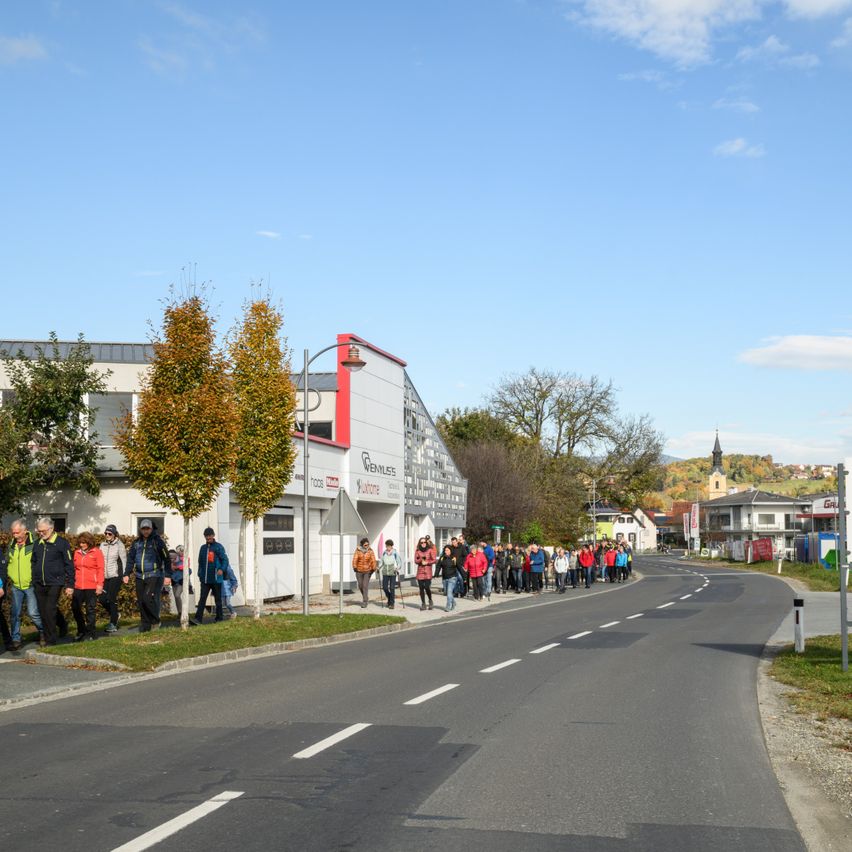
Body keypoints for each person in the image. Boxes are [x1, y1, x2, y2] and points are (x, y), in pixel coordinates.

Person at [31, 517, 74, 646]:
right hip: (39, 582)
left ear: (51, 528)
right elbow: (33, 561)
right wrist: (34, 577)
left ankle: (51, 640)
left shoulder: (62, 543)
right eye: (39, 531)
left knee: (49, 610)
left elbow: (69, 564)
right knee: (43, 611)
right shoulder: (38, 543)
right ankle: (61, 625)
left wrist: (70, 584)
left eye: (43, 531)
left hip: (55, 582)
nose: (41, 533)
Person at [4, 518, 44, 650]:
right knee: (15, 613)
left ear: (25, 531)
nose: (15, 536)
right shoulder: (11, 545)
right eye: (13, 533)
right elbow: (7, 562)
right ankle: (16, 639)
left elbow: (40, 563)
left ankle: (43, 632)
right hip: (16, 585)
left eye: (17, 533)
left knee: (33, 613)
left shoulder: (35, 544)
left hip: (31, 585)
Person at [127, 519, 171, 632]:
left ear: (151, 529)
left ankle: (156, 620)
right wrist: (126, 573)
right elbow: (130, 559)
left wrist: (168, 575)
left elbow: (167, 559)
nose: (146, 531)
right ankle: (145, 625)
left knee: (147, 599)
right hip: (139, 575)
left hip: (154, 574)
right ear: (140, 530)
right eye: (143, 529)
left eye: (148, 528)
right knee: (141, 601)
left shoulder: (158, 541)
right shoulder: (136, 543)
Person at [193, 527, 230, 624]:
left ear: (213, 535)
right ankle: (198, 619)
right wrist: (200, 574)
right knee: (202, 599)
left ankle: (219, 618)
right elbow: (200, 562)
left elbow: (225, 560)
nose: (208, 537)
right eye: (206, 535)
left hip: (216, 578)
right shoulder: (203, 548)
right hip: (205, 579)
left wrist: (221, 569)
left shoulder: (218, 547)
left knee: (218, 599)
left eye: (209, 535)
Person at [72, 532, 104, 641]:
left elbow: (100, 569)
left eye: (84, 542)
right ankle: (81, 630)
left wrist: (100, 585)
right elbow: (74, 569)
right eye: (80, 543)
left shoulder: (97, 552)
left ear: (89, 542)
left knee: (90, 609)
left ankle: (91, 632)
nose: (82, 545)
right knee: (75, 607)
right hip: (78, 586)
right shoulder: (76, 553)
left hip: (91, 585)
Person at [98, 524, 127, 634]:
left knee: (111, 598)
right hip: (104, 576)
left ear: (114, 534)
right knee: (101, 599)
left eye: (109, 533)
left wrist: (125, 575)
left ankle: (113, 623)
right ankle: (116, 614)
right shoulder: (102, 545)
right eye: (105, 533)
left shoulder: (119, 545)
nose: (107, 535)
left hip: (115, 575)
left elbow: (124, 560)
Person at [352, 537, 377, 608]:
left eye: (368, 545)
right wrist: (354, 567)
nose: (367, 546)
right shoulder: (358, 551)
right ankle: (365, 596)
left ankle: (365, 601)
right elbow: (355, 559)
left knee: (365, 586)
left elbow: (373, 560)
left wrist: (373, 568)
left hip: (367, 571)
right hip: (359, 571)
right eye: (365, 545)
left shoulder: (370, 551)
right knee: (360, 586)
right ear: (362, 545)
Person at [377, 539, 401, 609]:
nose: (388, 547)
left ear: (391, 546)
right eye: (387, 546)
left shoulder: (395, 553)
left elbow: (399, 562)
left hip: (393, 572)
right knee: (384, 588)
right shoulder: (384, 553)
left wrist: (397, 568)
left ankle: (392, 603)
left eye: (389, 546)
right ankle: (390, 598)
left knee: (392, 588)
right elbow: (381, 562)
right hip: (385, 572)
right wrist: (378, 567)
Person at [414, 537, 436, 611]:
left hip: (428, 571)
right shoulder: (417, 551)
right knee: (421, 588)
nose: (423, 544)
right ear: (420, 543)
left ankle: (430, 600)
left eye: (424, 542)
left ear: (426, 543)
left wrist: (427, 562)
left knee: (427, 587)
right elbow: (415, 560)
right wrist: (420, 559)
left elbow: (434, 560)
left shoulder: (430, 550)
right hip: (420, 571)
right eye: (421, 542)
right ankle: (423, 603)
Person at [436, 545, 458, 612]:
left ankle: (448, 606)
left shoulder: (454, 558)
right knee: (447, 593)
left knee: (449, 592)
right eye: (445, 550)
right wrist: (436, 574)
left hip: (452, 578)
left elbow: (459, 567)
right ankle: (453, 602)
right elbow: (438, 566)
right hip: (445, 578)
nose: (446, 552)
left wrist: (464, 577)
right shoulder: (442, 558)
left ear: (450, 551)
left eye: (447, 550)